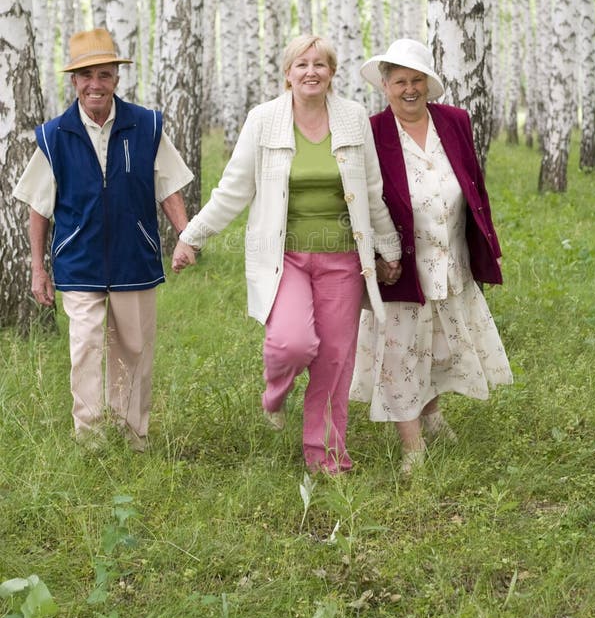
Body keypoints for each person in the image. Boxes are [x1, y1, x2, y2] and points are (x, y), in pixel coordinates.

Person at [172, 34, 401, 474]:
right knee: (291, 343)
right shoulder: (264, 120)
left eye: (321, 64)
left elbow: (372, 191)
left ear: (332, 72)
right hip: (285, 257)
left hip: (343, 259)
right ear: (287, 73)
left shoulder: (353, 118)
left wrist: (388, 249)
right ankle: (275, 391)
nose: (311, 71)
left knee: (335, 360)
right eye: (302, 64)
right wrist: (192, 236)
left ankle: (326, 456)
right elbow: (233, 189)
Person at [13, 28, 194, 452]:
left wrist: (185, 236)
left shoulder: (146, 124)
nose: (96, 84)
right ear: (74, 81)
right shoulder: (54, 135)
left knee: (134, 349)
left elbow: (167, 186)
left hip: (135, 256)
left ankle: (134, 438)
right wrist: (38, 268)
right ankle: (90, 441)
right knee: (86, 348)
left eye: (105, 74)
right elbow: (38, 207)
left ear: (117, 78)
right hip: (79, 260)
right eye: (87, 75)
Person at [350, 39, 512, 473]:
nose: (409, 88)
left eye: (417, 79)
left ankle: (432, 413)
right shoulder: (373, 131)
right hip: (399, 261)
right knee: (401, 350)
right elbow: (363, 197)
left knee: (439, 343)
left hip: (451, 253)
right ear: (385, 86)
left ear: (429, 83)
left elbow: (472, 181)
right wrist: (378, 252)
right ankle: (412, 448)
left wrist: (483, 244)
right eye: (400, 80)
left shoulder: (455, 121)